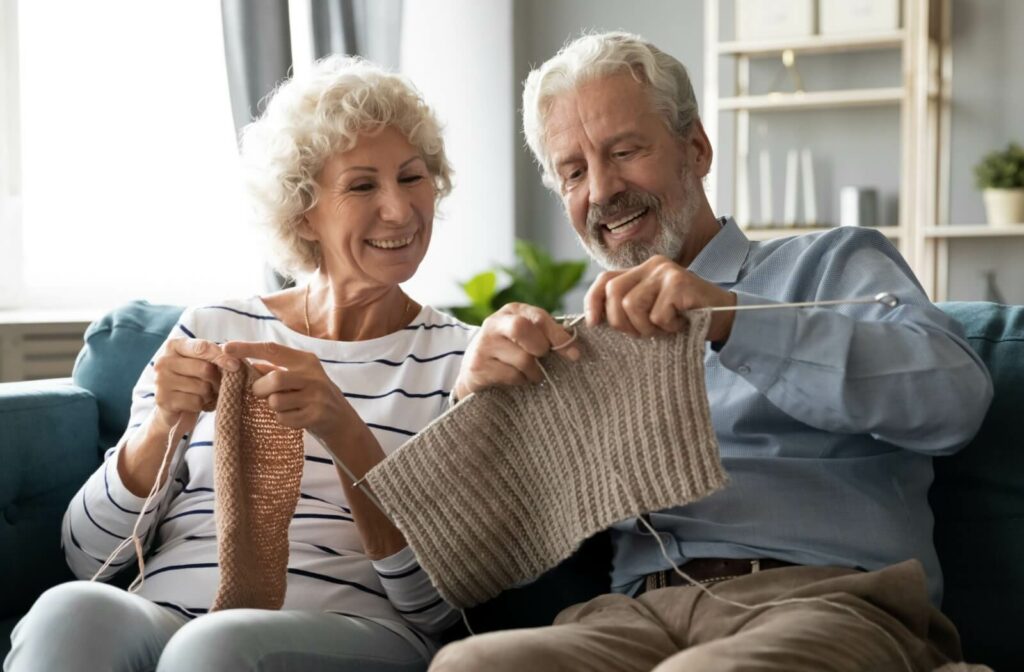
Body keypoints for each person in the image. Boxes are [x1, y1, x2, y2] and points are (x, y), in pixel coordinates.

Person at [433, 32, 994, 672]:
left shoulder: (829, 264)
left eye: (624, 151)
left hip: (826, 601)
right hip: (634, 617)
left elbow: (955, 401)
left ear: (696, 149)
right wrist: (474, 409)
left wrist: (731, 318)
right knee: (467, 666)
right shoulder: (572, 344)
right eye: (575, 171)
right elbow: (492, 553)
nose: (603, 188)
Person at [5, 56, 474, 672]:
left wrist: (344, 430)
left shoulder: (459, 360)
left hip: (351, 628)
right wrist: (162, 427)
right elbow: (88, 556)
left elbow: (439, 603)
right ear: (304, 209)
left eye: (413, 178)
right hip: (167, 613)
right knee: (71, 609)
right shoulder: (212, 327)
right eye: (363, 185)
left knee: (216, 645)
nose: (399, 209)